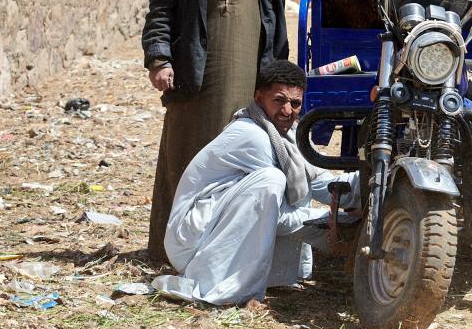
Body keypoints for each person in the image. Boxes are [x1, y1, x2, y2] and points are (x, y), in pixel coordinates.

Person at [141, 0, 363, 263]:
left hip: (253, 77)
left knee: (250, 161)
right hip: (195, 77)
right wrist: (159, 59)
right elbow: (160, 12)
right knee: (187, 160)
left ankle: (235, 252)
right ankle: (170, 252)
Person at [151, 60, 360, 305]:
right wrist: (338, 224)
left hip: (216, 226)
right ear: (259, 98)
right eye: (279, 100)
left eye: (295, 103)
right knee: (272, 181)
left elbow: (326, 186)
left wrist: (372, 182)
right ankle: (222, 286)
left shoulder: (291, 134)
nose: (287, 111)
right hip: (191, 242)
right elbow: (275, 214)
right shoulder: (252, 135)